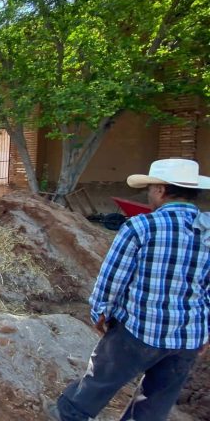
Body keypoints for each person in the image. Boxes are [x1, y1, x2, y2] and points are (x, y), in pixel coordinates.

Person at [45, 158, 210, 421]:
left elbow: (112, 278)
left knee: (101, 377)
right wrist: (205, 329)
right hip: (188, 338)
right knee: (157, 400)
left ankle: (69, 414)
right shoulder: (207, 230)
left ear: (160, 190)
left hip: (141, 330)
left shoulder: (141, 227)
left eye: (151, 189)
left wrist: (100, 311)